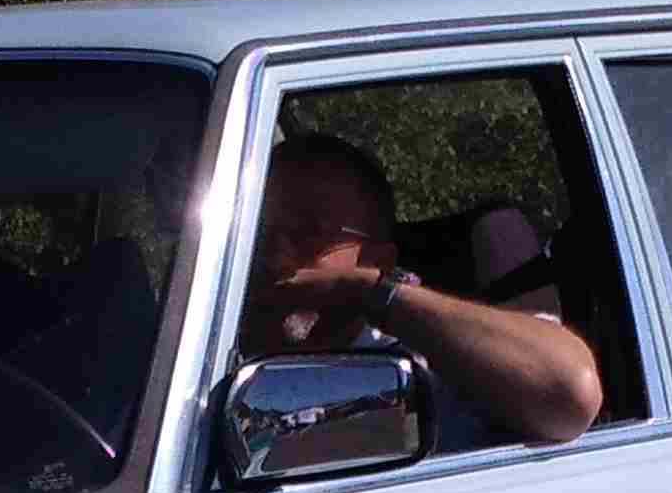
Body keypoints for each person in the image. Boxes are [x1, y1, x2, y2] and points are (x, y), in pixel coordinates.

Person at [240, 133, 603, 449]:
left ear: (375, 261)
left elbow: (570, 392)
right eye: (259, 232)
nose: (274, 255)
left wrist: (375, 291)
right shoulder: (211, 342)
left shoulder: (427, 371)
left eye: (307, 233)